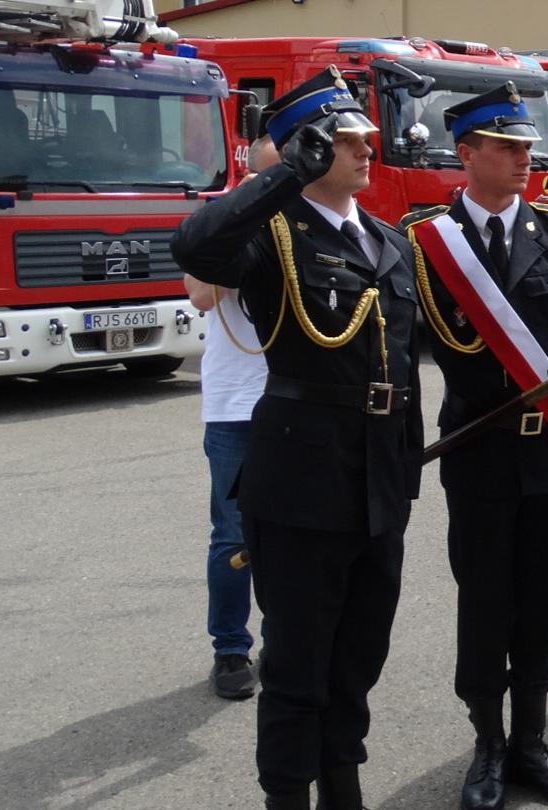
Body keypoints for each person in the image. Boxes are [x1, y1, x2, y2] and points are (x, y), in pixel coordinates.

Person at [171, 66, 421, 810]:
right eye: (346, 141)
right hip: (301, 483)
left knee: (358, 653)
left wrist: (403, 476)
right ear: (308, 148)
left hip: (377, 484)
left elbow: (400, 367)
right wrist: (282, 178)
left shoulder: (388, 242)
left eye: (363, 138)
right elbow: (196, 249)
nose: (364, 150)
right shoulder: (273, 236)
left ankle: (342, 779)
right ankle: (288, 794)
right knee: (298, 661)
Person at [401, 81, 548, 810]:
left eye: (527, 147)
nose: (525, 159)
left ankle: (531, 741)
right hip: (479, 454)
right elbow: (403, 347)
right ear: (468, 153)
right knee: (486, 602)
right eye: (509, 147)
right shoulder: (426, 242)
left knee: (541, 601)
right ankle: (487, 743)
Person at [183, 136, 277, 703]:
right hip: (237, 406)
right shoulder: (219, 224)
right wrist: (241, 223)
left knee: (293, 534)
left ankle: (281, 638)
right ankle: (230, 649)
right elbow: (198, 294)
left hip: (297, 403)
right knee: (235, 534)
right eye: (270, 176)